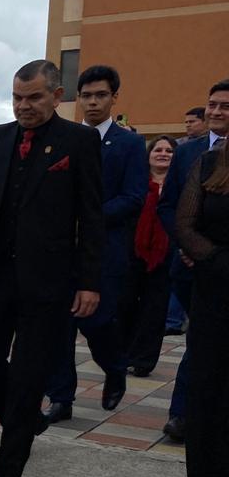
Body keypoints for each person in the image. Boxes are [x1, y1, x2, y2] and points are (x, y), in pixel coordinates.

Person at [0, 60, 104, 477]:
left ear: (56, 95)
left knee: (28, 377)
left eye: (33, 98)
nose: (24, 106)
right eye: (17, 98)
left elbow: (92, 215)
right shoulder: (1, 139)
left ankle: (7, 473)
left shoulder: (79, 142)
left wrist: (89, 281)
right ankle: (22, 426)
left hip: (49, 282)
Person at [43, 65, 148, 424]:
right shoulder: (64, 138)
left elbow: (134, 197)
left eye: (100, 95)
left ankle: (114, 366)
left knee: (97, 322)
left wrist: (88, 218)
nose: (92, 102)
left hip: (105, 249)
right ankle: (61, 398)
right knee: (58, 326)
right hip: (61, 250)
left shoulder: (130, 143)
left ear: (114, 98)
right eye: (86, 95)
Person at [157, 79, 229, 442]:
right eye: (212, 104)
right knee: (199, 342)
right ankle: (184, 414)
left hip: (218, 266)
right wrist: (188, 248)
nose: (215, 112)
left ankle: (195, 414)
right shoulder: (189, 152)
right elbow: (170, 205)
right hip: (190, 266)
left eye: (224, 107)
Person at [174, 132, 229, 477]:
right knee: (207, 391)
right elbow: (185, 224)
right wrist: (217, 263)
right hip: (215, 293)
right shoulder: (209, 164)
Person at [119, 136, 176, 377]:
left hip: (166, 254)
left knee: (155, 310)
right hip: (132, 251)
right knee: (126, 304)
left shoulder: (179, 185)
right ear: (149, 154)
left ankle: (144, 360)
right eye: (158, 150)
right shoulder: (138, 183)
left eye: (169, 151)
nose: (163, 154)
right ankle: (122, 355)